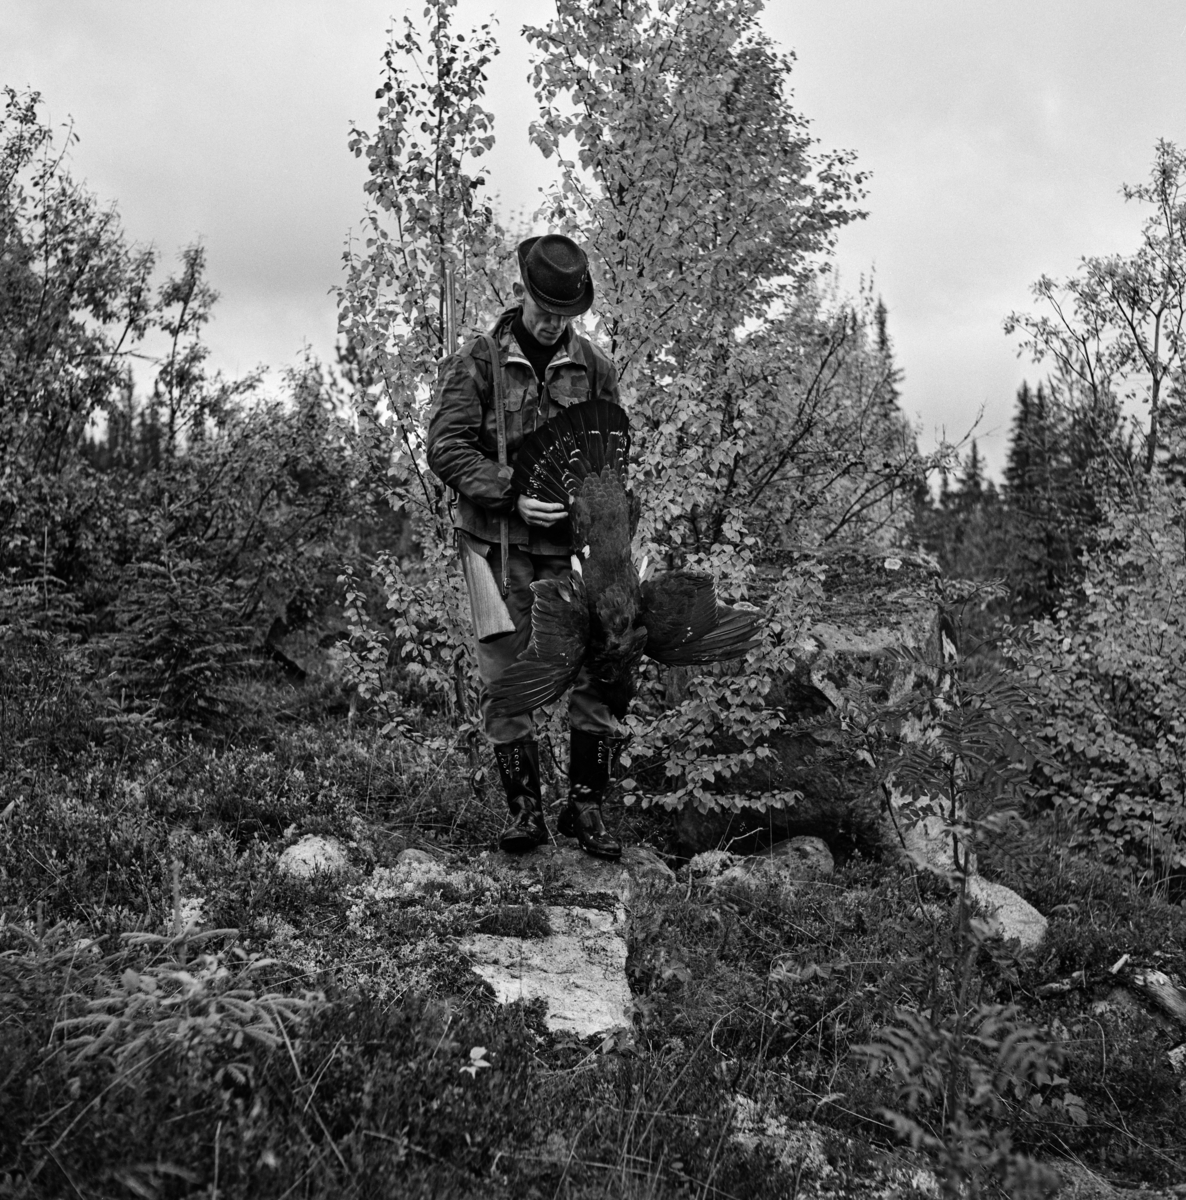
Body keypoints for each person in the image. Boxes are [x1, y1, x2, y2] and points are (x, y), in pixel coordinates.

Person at [426, 234, 625, 860]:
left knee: (598, 665)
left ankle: (586, 809)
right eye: (543, 308)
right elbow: (446, 446)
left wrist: (597, 516)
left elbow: (611, 464)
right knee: (506, 676)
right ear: (524, 293)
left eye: (563, 313)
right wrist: (510, 492)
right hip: (496, 549)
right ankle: (524, 813)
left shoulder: (595, 369)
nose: (550, 322)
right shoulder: (478, 361)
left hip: (574, 553)